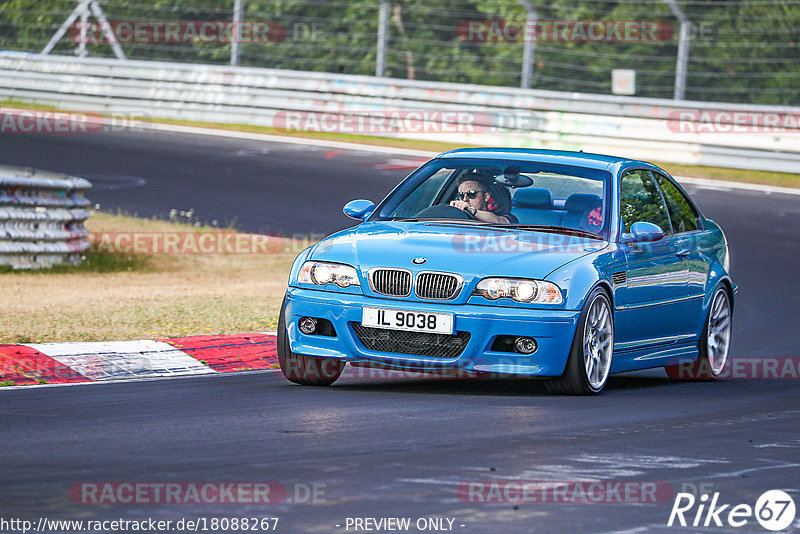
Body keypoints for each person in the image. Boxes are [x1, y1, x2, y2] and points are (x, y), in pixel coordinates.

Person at [449, 173, 517, 224]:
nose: (464, 199)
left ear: (486, 196)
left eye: (471, 193)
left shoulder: (504, 216)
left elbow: (502, 222)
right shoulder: (456, 217)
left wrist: (472, 211)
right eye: (461, 195)